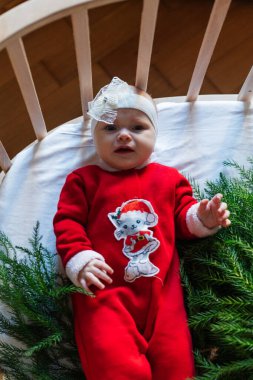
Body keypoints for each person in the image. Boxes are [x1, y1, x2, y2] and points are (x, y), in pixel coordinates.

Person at [53, 77, 231, 380]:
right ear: (94, 138)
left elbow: (183, 218)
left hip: (164, 296)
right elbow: (67, 222)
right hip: (105, 294)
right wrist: (78, 258)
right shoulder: (84, 181)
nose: (123, 136)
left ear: (154, 135)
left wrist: (203, 217)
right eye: (110, 128)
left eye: (137, 128)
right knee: (112, 363)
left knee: (176, 364)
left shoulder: (169, 179)